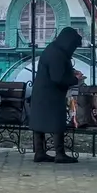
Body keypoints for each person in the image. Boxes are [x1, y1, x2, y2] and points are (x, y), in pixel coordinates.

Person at [28, 27, 83, 164]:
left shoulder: (53, 49)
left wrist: (71, 72)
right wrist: (76, 80)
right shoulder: (58, 54)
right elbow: (58, 78)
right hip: (51, 94)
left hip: (41, 92)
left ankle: (40, 152)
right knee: (57, 121)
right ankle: (60, 153)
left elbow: (58, 70)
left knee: (39, 122)